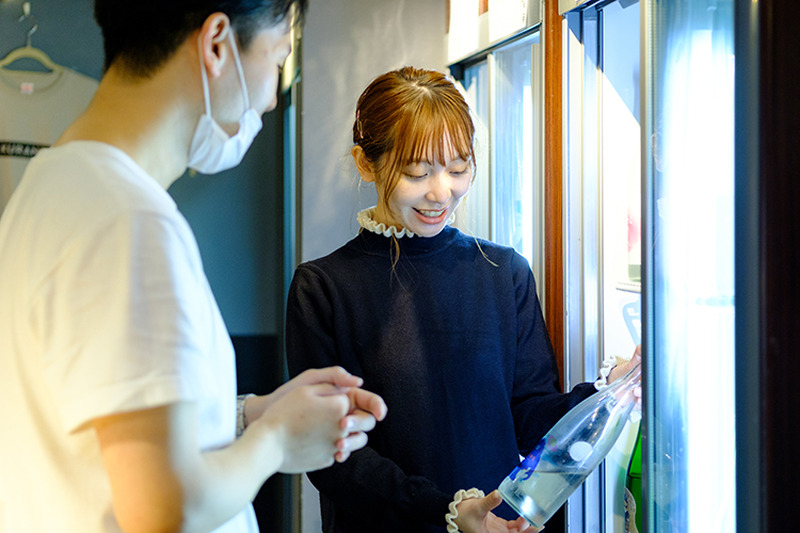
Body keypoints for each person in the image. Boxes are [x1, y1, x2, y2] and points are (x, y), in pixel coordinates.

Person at [0, 2, 387, 532]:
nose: (273, 98)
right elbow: (163, 509)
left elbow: (105, 427)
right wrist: (274, 443)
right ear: (216, 44)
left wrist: (253, 414)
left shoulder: (52, 183)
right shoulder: (128, 221)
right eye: (276, 60)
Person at [285, 66, 641, 533]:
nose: (441, 192)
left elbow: (531, 418)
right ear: (365, 163)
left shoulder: (504, 272)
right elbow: (332, 458)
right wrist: (447, 512)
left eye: (458, 169)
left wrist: (608, 388)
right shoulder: (323, 288)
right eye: (417, 172)